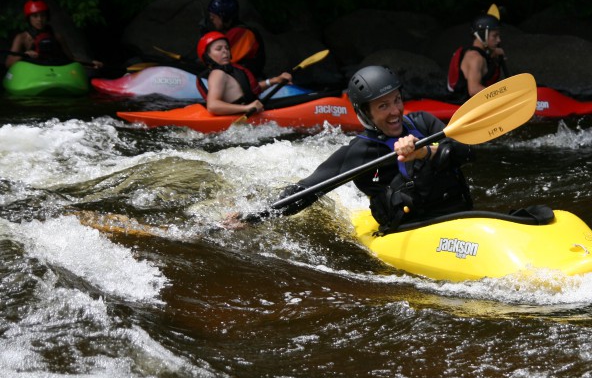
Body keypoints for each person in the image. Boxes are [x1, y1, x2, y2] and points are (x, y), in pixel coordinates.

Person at [229, 65, 474, 231]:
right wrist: (251, 218)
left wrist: (425, 152)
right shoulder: (360, 152)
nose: (395, 111)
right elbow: (306, 191)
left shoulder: (423, 122)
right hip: (414, 228)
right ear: (365, 113)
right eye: (383, 106)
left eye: (397, 100)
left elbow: (468, 152)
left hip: (460, 213)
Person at [195, 31, 291, 117]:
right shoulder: (217, 74)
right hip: (244, 113)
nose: (225, 51)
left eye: (227, 48)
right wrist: (247, 108)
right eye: (219, 49)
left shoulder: (230, 71)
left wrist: (275, 80)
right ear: (207, 56)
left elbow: (251, 90)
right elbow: (213, 106)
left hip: (252, 109)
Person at [5, 0, 102, 69]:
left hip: (53, 71)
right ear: (29, 19)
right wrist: (24, 55)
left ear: (47, 17)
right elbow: (8, 63)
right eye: (35, 16)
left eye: (43, 16)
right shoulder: (22, 38)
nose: (39, 20)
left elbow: (71, 59)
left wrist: (90, 63)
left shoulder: (57, 36)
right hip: (33, 71)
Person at [445, 12, 506, 103]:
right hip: (460, 103)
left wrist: (494, 54)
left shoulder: (482, 53)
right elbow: (473, 90)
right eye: (494, 36)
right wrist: (502, 96)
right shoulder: (475, 58)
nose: (498, 40)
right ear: (482, 35)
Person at [203, 0, 266, 76]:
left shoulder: (241, 33)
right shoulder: (236, 31)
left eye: (213, 16)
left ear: (224, 17)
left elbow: (220, 63)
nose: (211, 19)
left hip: (244, 82)